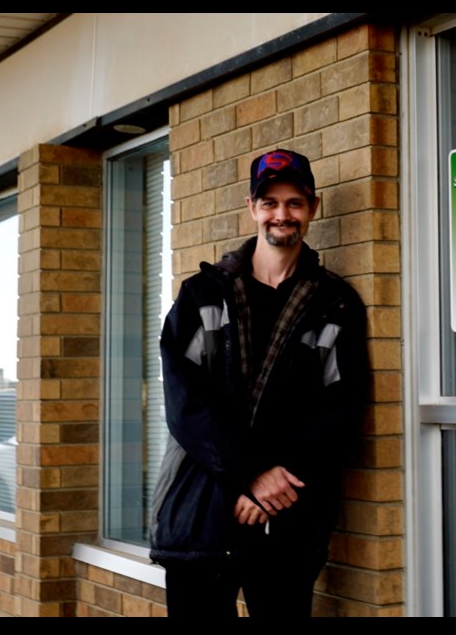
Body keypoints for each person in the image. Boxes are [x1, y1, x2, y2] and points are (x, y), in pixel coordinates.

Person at [150, 148, 369, 617]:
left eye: (294, 202)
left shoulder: (335, 304)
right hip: (204, 509)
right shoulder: (202, 295)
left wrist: (273, 482)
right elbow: (185, 402)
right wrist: (248, 475)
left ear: (312, 208)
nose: (281, 213)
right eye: (269, 202)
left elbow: (340, 408)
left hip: (289, 516)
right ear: (252, 208)